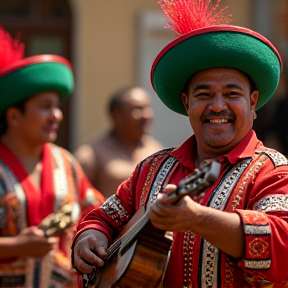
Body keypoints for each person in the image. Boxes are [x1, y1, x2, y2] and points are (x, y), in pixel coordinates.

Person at [71, 0, 288, 287]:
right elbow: (103, 217)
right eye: (204, 95)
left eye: (232, 93)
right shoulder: (151, 168)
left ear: (252, 102)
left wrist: (197, 218)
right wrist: (89, 237)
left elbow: (282, 249)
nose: (217, 106)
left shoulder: (273, 171)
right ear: (187, 104)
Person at [0, 27, 105, 288]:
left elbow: (95, 216)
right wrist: (16, 246)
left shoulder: (66, 163)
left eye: (57, 106)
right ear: (13, 116)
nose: (56, 115)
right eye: (45, 106)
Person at [74, 85, 163, 198]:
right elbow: (76, 200)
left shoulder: (156, 151)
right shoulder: (91, 154)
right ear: (117, 114)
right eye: (138, 109)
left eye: (148, 108)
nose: (146, 115)